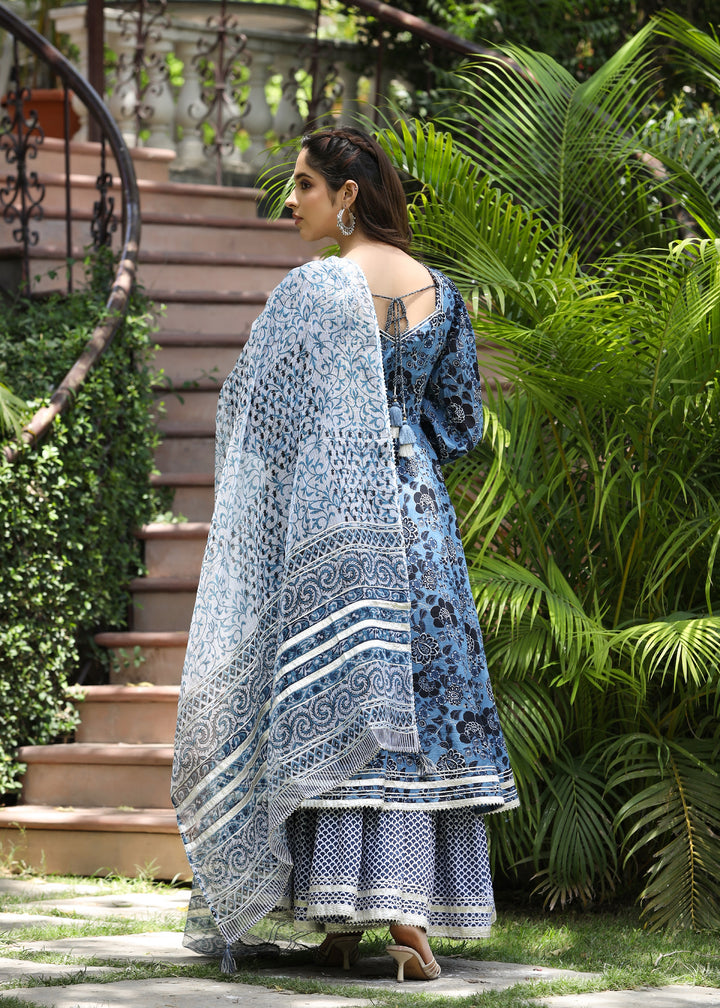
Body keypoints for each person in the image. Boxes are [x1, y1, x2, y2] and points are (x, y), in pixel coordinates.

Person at [171, 125, 518, 983]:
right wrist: (400, 434)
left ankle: (345, 913)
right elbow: (461, 423)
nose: (290, 202)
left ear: (347, 195)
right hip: (420, 526)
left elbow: (258, 415)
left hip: (336, 524)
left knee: (332, 694)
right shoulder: (441, 291)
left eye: (303, 185)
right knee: (414, 710)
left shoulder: (313, 289)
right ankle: (398, 921)